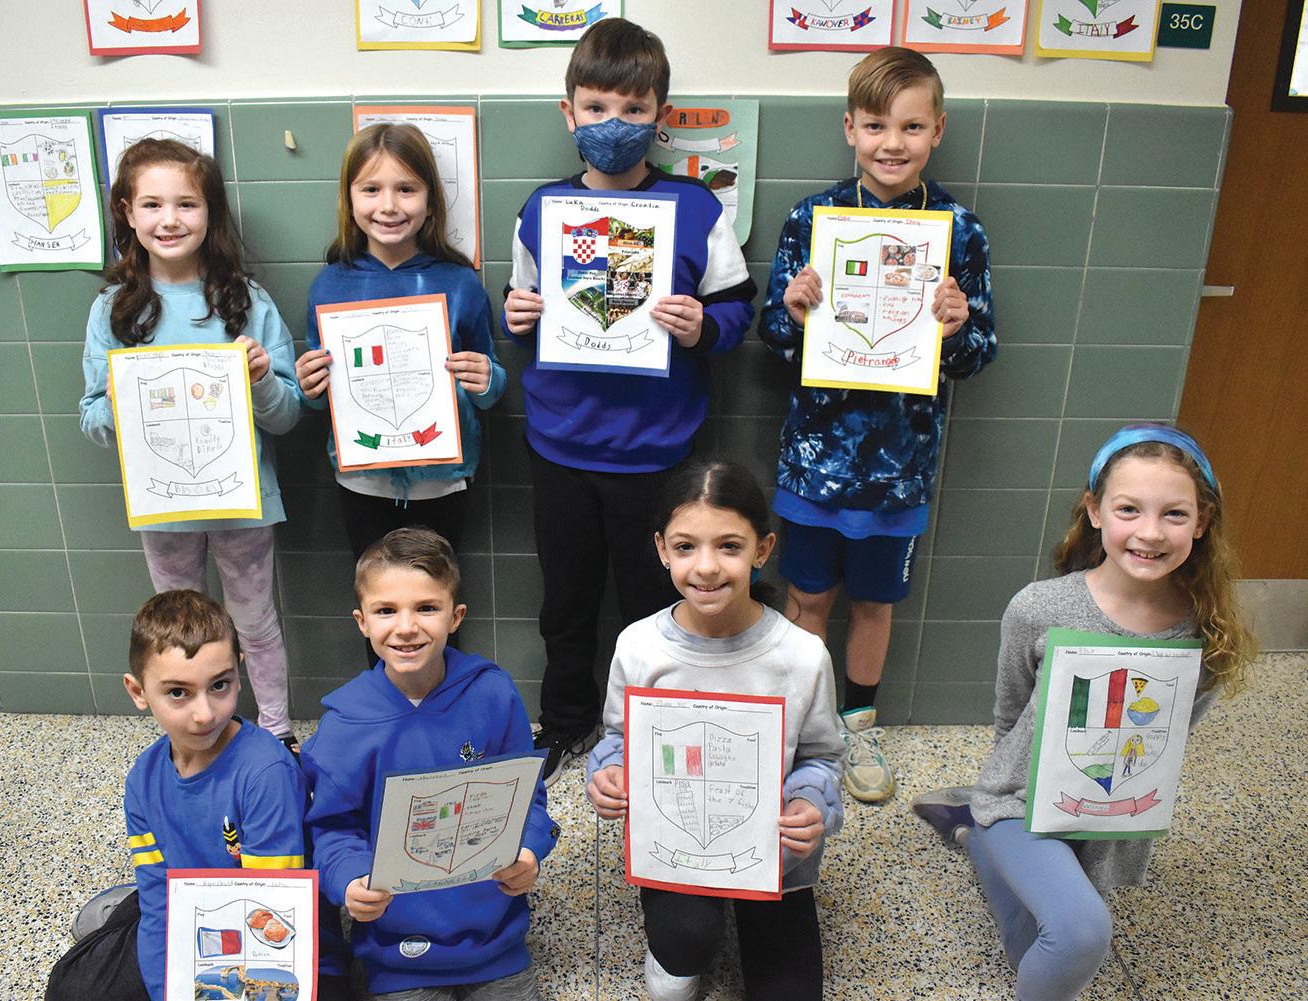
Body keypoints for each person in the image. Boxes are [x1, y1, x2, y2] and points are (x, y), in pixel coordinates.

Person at [911, 425, 1256, 1001]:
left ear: (1202, 522)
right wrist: (1008, 792)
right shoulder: (1040, 607)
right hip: (1020, 803)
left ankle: (970, 834)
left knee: (1038, 947)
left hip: (1110, 816)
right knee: (1079, 936)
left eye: (1174, 514)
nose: (1150, 532)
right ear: (1095, 511)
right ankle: (984, 821)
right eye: (1129, 509)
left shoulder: (1207, 632)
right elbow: (1010, 713)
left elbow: (1171, 735)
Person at [502, 18, 758, 780]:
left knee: (657, 603)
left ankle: (656, 727)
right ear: (569, 113)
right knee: (566, 602)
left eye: (632, 109)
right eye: (596, 107)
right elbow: (519, 307)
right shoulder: (542, 209)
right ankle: (568, 721)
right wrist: (516, 316)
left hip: (657, 452)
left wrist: (702, 326)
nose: (613, 123)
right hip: (561, 446)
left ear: (659, 115)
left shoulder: (696, 208)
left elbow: (736, 310)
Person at [759, 46, 996, 803]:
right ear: (849, 129)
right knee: (806, 599)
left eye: (911, 126)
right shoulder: (812, 220)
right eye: (875, 125)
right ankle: (800, 725)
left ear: (937, 130)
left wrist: (957, 327)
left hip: (900, 469)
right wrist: (792, 312)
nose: (892, 143)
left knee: (874, 603)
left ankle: (857, 726)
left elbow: (978, 355)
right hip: (815, 461)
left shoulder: (959, 230)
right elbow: (772, 338)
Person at [585, 461, 846, 1001]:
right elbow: (619, 737)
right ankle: (676, 949)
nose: (705, 567)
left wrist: (810, 802)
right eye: (686, 547)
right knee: (685, 940)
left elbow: (822, 755)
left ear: (762, 549)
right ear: (662, 549)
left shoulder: (802, 655)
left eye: (729, 546)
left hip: (772, 852)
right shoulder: (639, 647)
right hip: (677, 847)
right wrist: (610, 773)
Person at [79, 138, 303, 749]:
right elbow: (92, 419)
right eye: (152, 204)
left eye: (187, 204)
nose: (170, 219)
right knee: (179, 630)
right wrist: (122, 398)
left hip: (243, 501)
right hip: (165, 504)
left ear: (211, 212)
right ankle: (196, 729)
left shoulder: (248, 302)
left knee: (255, 622)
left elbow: (287, 416)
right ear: (126, 212)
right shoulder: (113, 311)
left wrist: (261, 379)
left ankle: (277, 730)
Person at [45, 591, 344, 1001]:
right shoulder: (143, 778)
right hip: (191, 913)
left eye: (219, 685)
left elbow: (270, 921)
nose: (204, 714)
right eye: (178, 693)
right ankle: (122, 916)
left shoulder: (267, 773)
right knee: (70, 988)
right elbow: (159, 899)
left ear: (238, 671)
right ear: (137, 691)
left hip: (275, 938)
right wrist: (166, 990)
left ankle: (119, 920)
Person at [301, 528, 560, 1000]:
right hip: (397, 951)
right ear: (362, 622)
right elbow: (333, 828)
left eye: (426, 608)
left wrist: (529, 850)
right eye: (386, 610)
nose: (406, 627)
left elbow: (528, 799)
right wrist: (350, 880)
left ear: (455, 616)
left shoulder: (492, 694)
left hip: (495, 941)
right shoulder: (344, 725)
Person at [295, 124, 506, 609]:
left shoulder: (460, 283)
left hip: (442, 480)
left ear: (430, 201)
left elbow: (492, 384)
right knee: (378, 605)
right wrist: (310, 387)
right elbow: (322, 394)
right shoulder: (329, 285)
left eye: (406, 189)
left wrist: (486, 380)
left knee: (435, 604)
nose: (388, 205)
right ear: (349, 200)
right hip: (361, 480)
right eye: (371, 189)